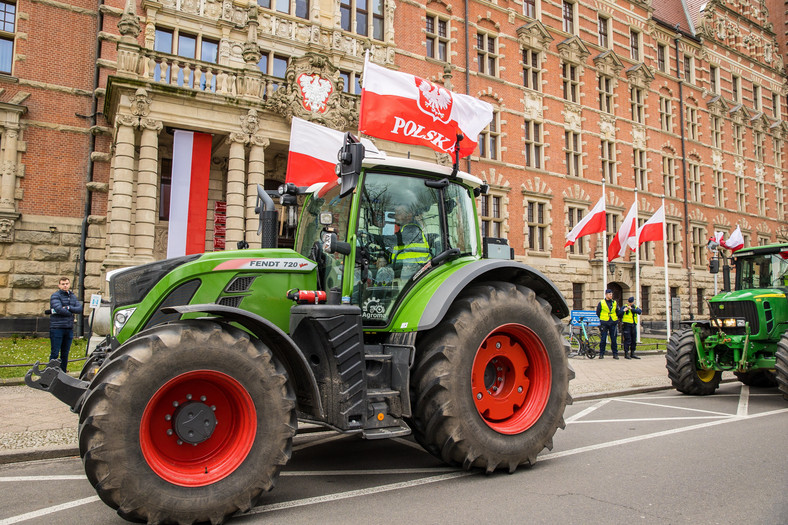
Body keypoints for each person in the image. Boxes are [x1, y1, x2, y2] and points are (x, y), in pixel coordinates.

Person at [49, 277, 83, 372]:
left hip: (68, 328)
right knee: (55, 352)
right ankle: (50, 372)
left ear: (69, 284)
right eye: (63, 284)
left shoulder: (72, 296)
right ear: (59, 285)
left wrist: (68, 307)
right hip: (57, 328)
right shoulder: (55, 296)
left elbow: (79, 309)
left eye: (67, 283)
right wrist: (71, 313)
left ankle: (63, 372)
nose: (65, 285)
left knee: (65, 353)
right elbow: (58, 309)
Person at [390, 205, 431, 280]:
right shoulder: (404, 229)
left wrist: (373, 237)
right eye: (395, 213)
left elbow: (393, 240)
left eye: (398, 213)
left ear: (409, 215)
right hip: (407, 269)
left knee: (384, 272)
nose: (395, 216)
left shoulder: (412, 229)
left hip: (415, 271)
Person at [596, 288, 622, 359]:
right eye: (610, 294)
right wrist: (603, 319)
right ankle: (601, 353)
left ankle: (615, 354)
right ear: (606, 294)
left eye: (611, 294)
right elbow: (598, 312)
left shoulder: (614, 302)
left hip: (613, 322)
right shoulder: (601, 303)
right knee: (603, 339)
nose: (611, 295)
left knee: (613, 339)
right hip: (604, 323)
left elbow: (617, 311)